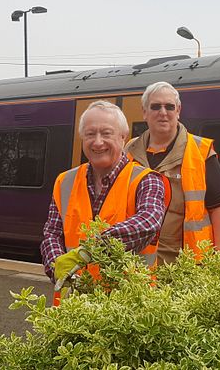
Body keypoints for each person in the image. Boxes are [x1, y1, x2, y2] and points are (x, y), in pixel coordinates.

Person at [39, 100, 167, 303]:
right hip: (74, 305)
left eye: (106, 133)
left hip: (126, 307)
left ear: (123, 137)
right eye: (90, 134)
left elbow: (147, 222)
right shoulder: (65, 181)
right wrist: (56, 266)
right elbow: (52, 233)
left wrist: (88, 252)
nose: (97, 142)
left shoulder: (147, 180)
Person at [125, 81, 220, 265]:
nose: (163, 112)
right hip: (136, 260)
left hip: (184, 263)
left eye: (169, 106)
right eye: (155, 106)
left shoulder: (201, 151)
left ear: (178, 110)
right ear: (144, 112)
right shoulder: (128, 151)